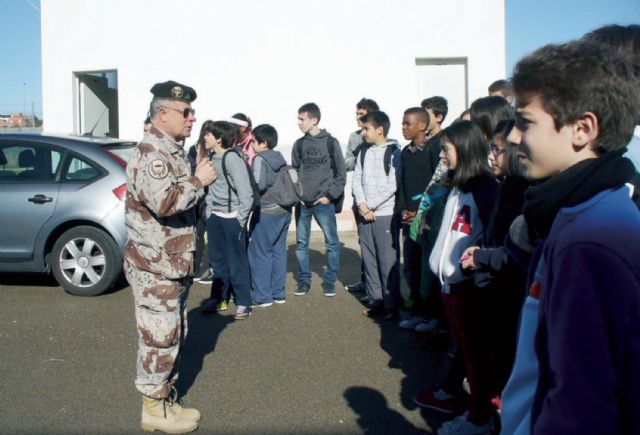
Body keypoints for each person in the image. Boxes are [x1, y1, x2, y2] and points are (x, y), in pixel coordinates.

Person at [500, 40, 640, 435]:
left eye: (525, 122)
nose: (512, 137)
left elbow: (581, 407)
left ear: (582, 129)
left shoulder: (591, 240)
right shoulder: (578, 212)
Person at [124, 80, 216, 433]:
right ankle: (153, 409)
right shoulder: (152, 153)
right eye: (185, 112)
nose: (192, 118)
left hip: (171, 264)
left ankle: (164, 401)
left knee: (172, 333)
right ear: (163, 114)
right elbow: (165, 202)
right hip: (155, 266)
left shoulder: (171, 149)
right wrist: (198, 181)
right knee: (158, 337)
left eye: (193, 111)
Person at [426, 121, 499, 435]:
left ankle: (479, 418)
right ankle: (476, 412)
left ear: (465, 148)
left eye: (446, 149)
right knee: (469, 355)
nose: (442, 155)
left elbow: (492, 236)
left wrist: (474, 261)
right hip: (450, 286)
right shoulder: (458, 184)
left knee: (476, 357)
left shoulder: (485, 188)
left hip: (468, 288)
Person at [459, 119, 530, 406]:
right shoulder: (506, 186)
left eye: (498, 149)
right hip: (494, 289)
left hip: (510, 294)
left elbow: (514, 253)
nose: (491, 155)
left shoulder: (525, 192)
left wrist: (480, 256)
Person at [200, 120, 254, 320]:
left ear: (219, 138)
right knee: (218, 261)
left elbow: (246, 193)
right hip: (216, 218)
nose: (205, 137)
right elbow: (211, 189)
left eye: (209, 134)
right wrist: (210, 214)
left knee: (237, 262)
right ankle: (219, 298)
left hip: (233, 219)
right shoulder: (212, 157)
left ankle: (243, 302)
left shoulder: (232, 159)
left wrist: (240, 220)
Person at [292, 102, 346, 297]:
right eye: (298, 118)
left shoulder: (331, 142)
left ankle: (330, 281)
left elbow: (341, 174)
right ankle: (304, 281)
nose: (298, 122)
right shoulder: (299, 144)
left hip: (323, 204)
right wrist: (297, 194)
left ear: (314, 120)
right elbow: (294, 171)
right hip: (303, 204)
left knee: (331, 243)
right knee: (301, 244)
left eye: (302, 119)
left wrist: (329, 197)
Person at [352, 110, 401, 319]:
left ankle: (391, 305)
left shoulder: (394, 152)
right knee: (369, 259)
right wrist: (362, 205)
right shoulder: (363, 152)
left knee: (387, 260)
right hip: (365, 213)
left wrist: (370, 205)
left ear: (380, 130)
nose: (363, 132)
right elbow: (356, 179)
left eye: (366, 128)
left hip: (384, 214)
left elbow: (393, 184)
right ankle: (376, 301)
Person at [396, 107, 436, 330]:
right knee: (410, 267)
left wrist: (422, 213)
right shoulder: (405, 152)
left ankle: (430, 314)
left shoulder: (432, 150)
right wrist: (403, 210)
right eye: (402, 123)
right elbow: (402, 185)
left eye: (407, 123)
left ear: (422, 125)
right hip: (408, 220)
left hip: (426, 220)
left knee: (426, 269)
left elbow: (434, 186)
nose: (403, 127)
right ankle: (415, 310)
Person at [248, 124, 292, 306]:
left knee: (260, 252)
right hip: (285, 210)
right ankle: (278, 293)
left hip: (266, 211)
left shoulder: (260, 159)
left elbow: (258, 184)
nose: (251, 145)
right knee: (278, 251)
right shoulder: (280, 158)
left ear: (263, 143)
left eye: (253, 141)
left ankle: (262, 296)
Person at [344, 98, 379, 293]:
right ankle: (366, 282)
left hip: (379, 201)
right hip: (359, 198)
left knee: (380, 245)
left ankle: (379, 287)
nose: (357, 118)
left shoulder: (384, 138)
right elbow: (347, 160)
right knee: (363, 242)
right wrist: (357, 156)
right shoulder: (354, 137)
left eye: (361, 114)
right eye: (356, 113)